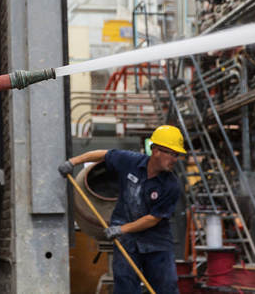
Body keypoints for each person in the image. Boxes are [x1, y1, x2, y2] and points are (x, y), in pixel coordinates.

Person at [58, 124, 186, 294]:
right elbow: (103, 154)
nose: (175, 159)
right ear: (156, 151)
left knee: (166, 288)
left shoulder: (171, 185)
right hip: (127, 242)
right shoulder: (131, 161)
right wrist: (72, 162)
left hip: (156, 242)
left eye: (177, 155)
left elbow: (153, 218)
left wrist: (121, 229)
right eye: (172, 154)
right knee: (125, 288)